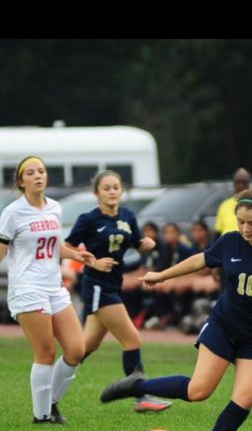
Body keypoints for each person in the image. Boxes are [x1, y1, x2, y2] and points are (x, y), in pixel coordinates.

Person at [99, 186, 252, 431]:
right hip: (223, 328)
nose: (246, 228)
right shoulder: (230, 242)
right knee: (198, 391)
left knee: (246, 398)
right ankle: (136, 386)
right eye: (241, 222)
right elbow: (199, 260)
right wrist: (163, 275)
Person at [0, 155, 96, 424]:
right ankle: (42, 416)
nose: (38, 176)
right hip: (27, 288)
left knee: (77, 350)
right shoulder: (13, 212)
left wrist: (76, 255)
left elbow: (53, 245)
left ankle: (51, 403)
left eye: (41, 171)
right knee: (45, 352)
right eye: (30, 172)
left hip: (54, 287)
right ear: (21, 181)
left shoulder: (54, 208)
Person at [64, 170, 172, 413]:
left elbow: (137, 244)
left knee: (84, 347)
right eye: (107, 188)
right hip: (97, 286)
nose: (112, 191)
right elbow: (67, 247)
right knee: (132, 339)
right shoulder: (89, 219)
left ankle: (51, 382)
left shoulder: (127, 216)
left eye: (116, 187)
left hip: (113, 284)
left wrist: (146, 245)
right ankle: (141, 396)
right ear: (97, 193)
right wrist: (93, 262)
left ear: (121, 191)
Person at [214, 168, 252, 237]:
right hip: (227, 245)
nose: (241, 185)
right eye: (238, 182)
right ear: (234, 184)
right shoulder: (224, 205)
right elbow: (218, 232)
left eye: (244, 182)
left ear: (249, 184)